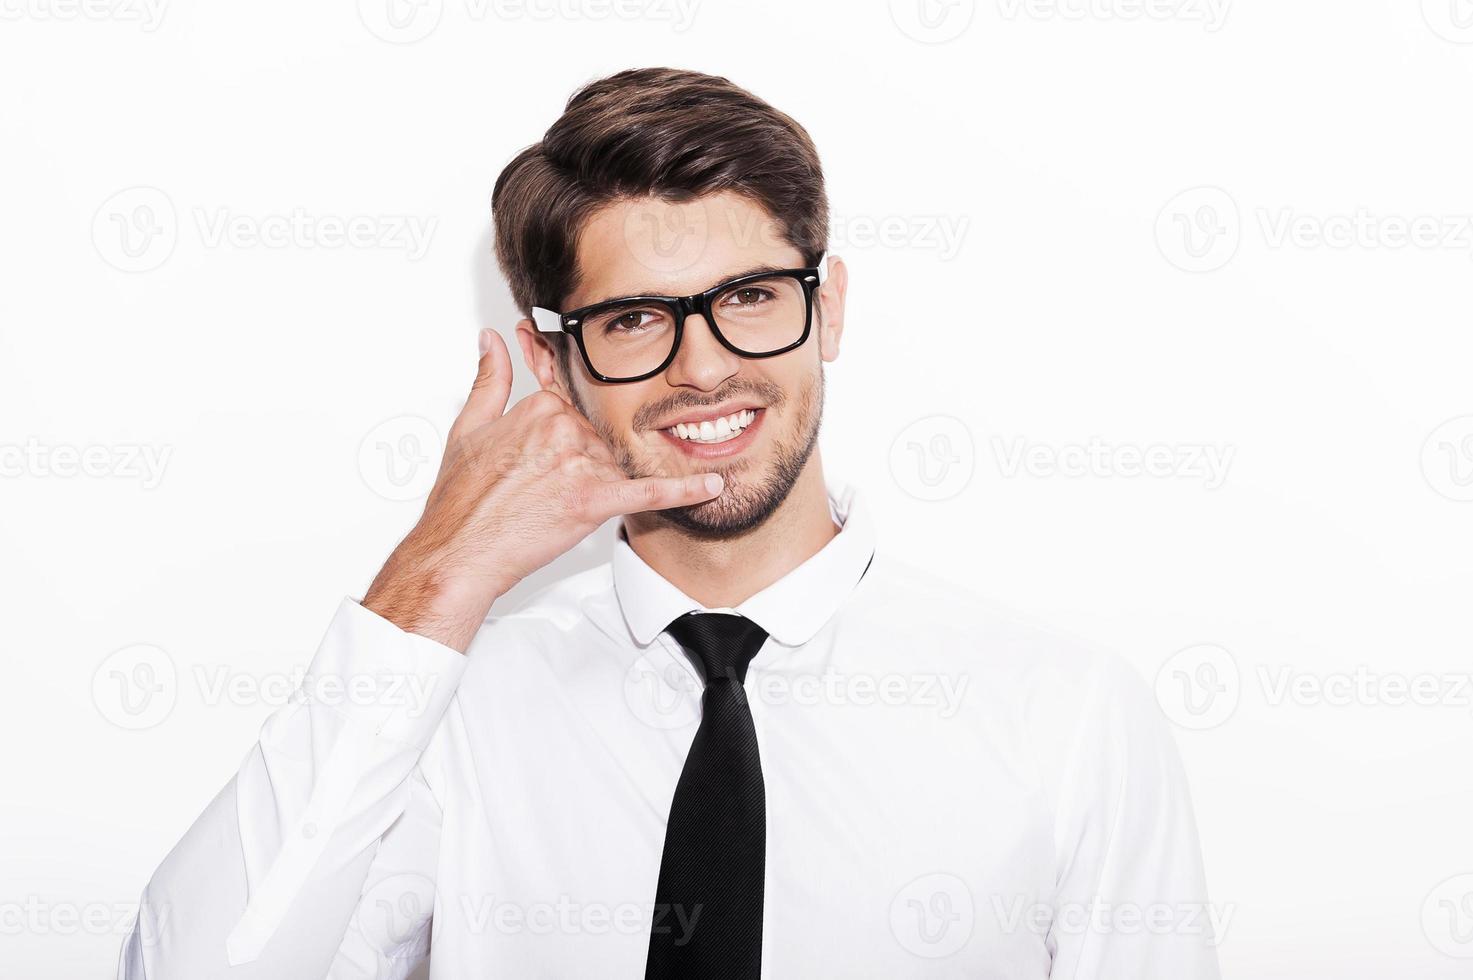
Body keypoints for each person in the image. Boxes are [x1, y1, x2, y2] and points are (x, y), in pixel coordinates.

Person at [118, 66, 1221, 979]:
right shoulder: (452, 715)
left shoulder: (1067, 717)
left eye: (749, 296)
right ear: (554, 362)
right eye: (637, 317)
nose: (703, 367)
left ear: (826, 308)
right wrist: (434, 576)